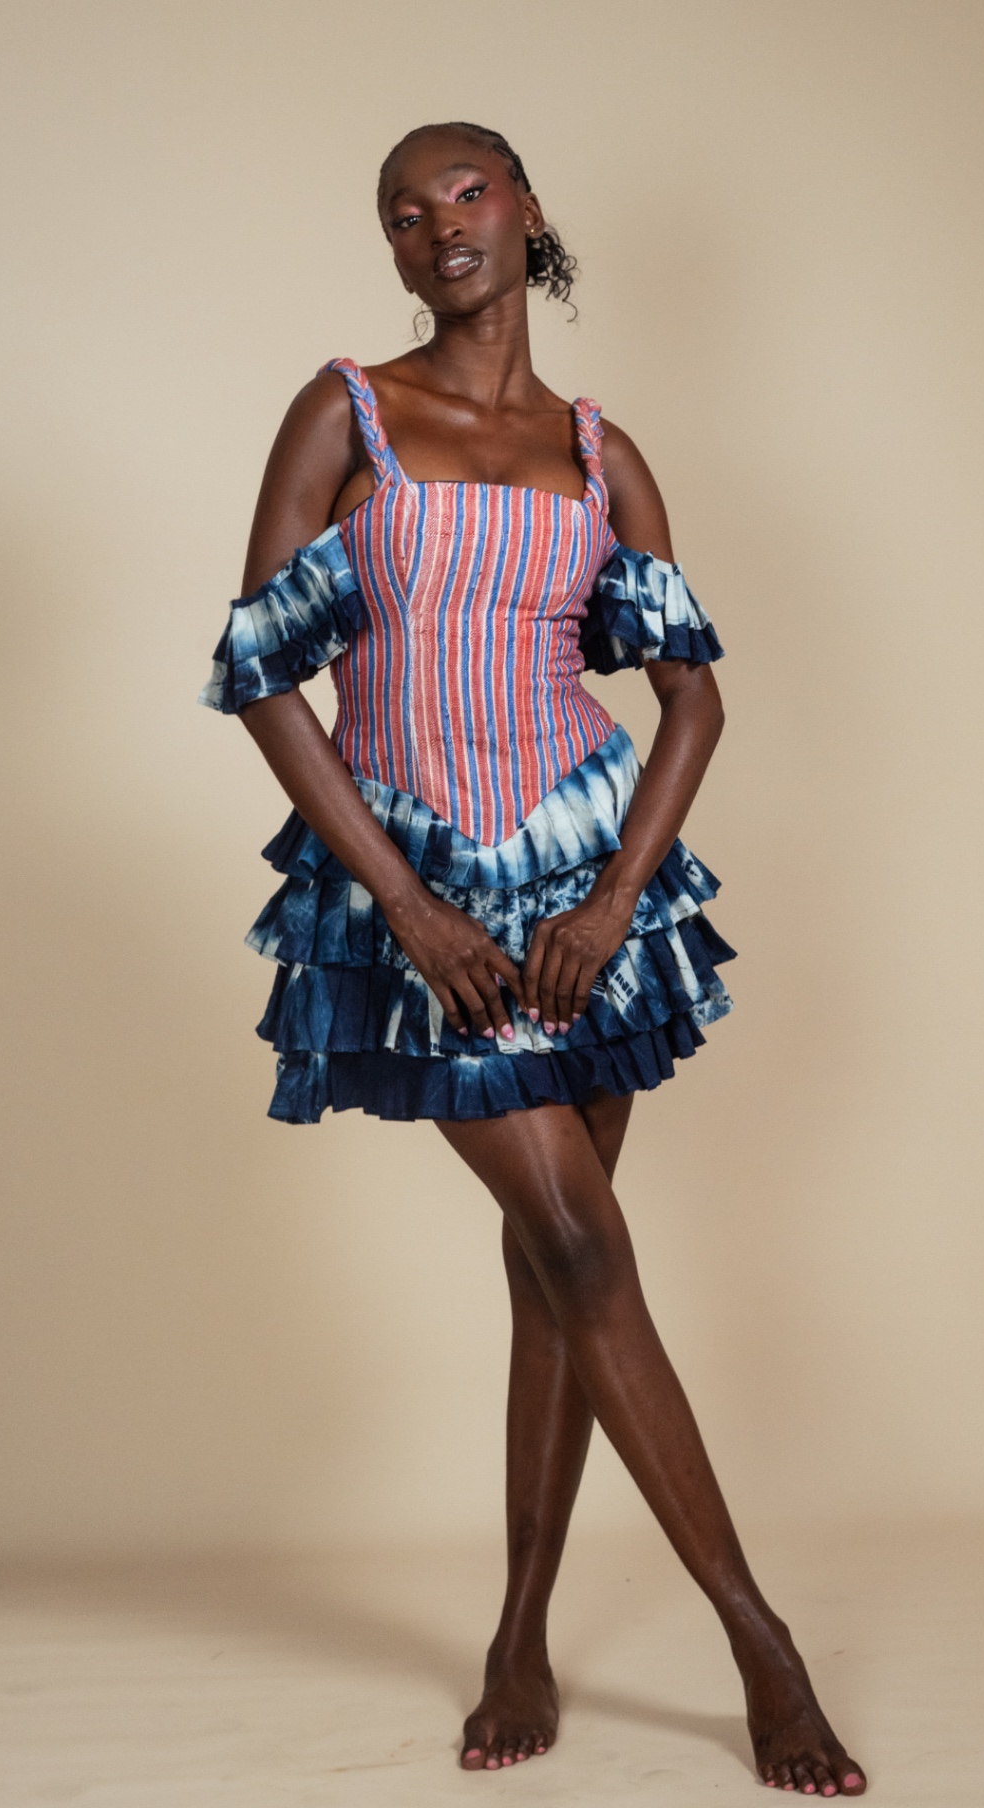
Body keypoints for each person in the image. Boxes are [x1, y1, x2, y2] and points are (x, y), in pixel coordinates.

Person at [200, 121, 866, 1798]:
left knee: (552, 1272)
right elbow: (263, 675)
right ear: (389, 248)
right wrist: (409, 909)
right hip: (413, 887)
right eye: (403, 212)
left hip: (582, 891)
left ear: (524, 211)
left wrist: (612, 902)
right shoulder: (346, 414)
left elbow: (690, 699)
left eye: (465, 193)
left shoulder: (598, 451)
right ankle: (763, 1646)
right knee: (578, 1242)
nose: (437, 227)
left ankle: (518, 1634)